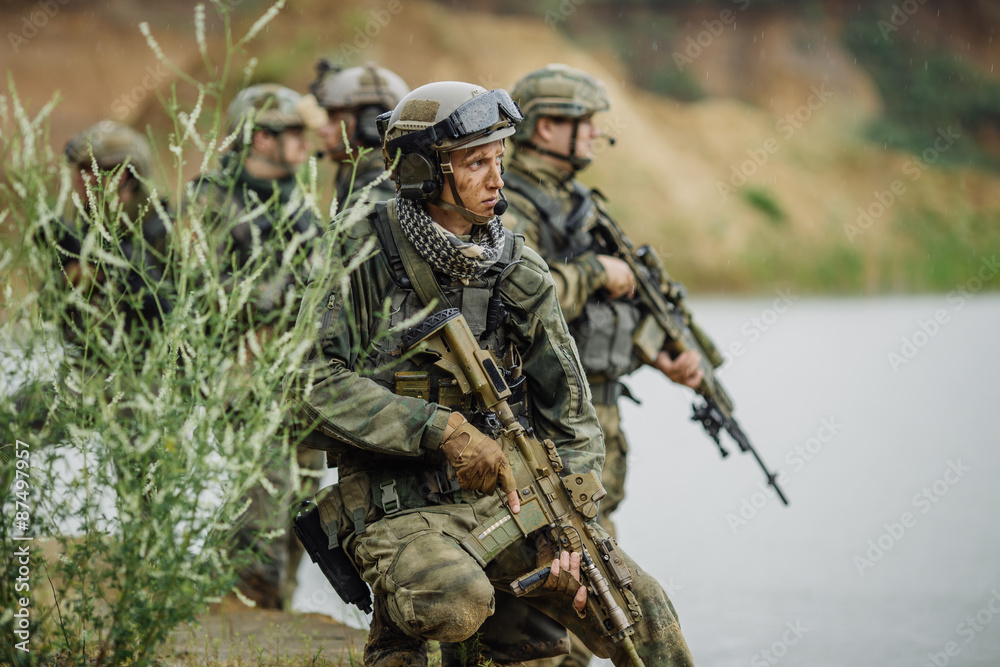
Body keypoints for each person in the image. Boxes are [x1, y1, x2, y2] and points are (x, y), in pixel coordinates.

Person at [294, 80, 695, 667]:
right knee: (455, 602)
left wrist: (571, 522)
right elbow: (310, 382)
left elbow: (572, 411)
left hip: (509, 504)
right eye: (476, 162)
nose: (496, 178)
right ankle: (396, 634)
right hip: (395, 505)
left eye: (499, 159)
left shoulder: (519, 268)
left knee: (643, 612)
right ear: (423, 172)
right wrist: (440, 429)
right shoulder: (354, 255)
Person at [500, 63, 704, 667]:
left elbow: (596, 319)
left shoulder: (582, 204)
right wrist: (596, 274)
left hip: (596, 421)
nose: (595, 135)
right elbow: (516, 296)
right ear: (544, 126)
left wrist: (660, 354)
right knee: (578, 590)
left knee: (589, 580)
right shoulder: (513, 202)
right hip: (547, 425)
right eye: (582, 123)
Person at [185, 83, 329, 610]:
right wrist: (284, 295)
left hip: (302, 374)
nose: (305, 143)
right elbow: (200, 294)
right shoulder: (212, 201)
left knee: (305, 497)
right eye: (293, 132)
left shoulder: (298, 200)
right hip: (244, 372)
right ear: (261, 138)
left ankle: (274, 607)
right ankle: (243, 599)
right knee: (263, 486)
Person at [310, 60, 409, 207]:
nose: (321, 130)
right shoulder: (360, 173)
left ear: (369, 122)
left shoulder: (376, 193)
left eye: (333, 118)